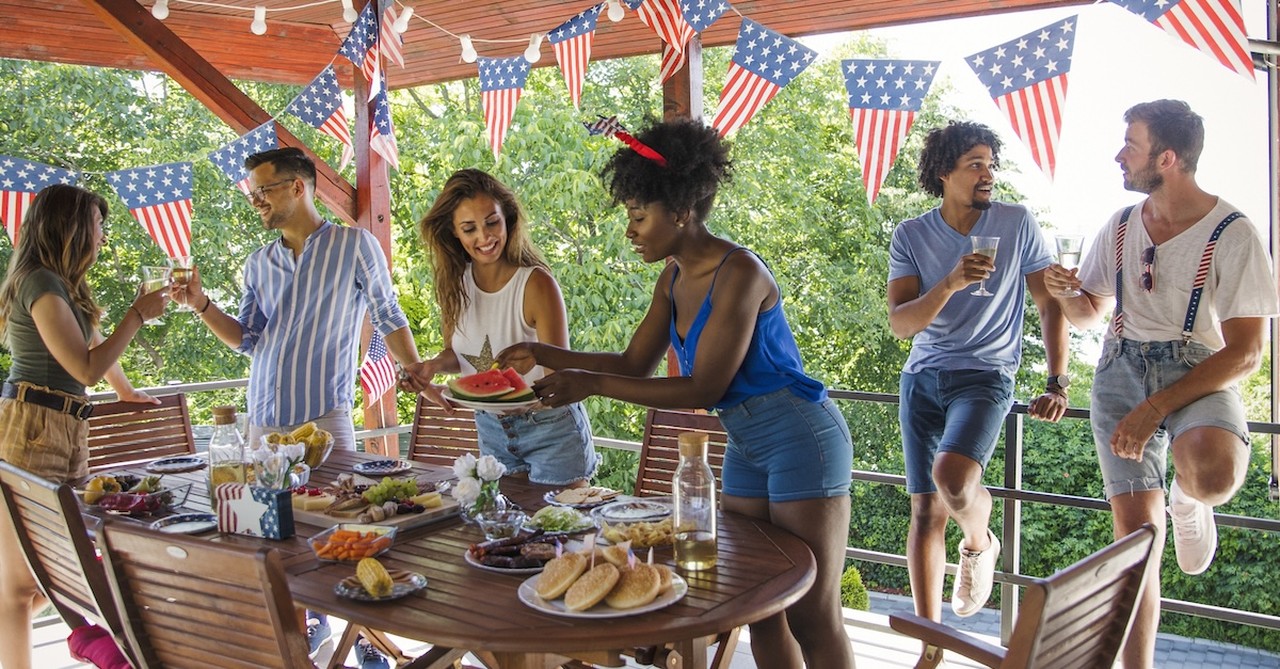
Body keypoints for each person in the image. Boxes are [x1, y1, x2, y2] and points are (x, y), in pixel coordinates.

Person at [498, 119, 856, 669]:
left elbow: (704, 387)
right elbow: (634, 363)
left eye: (639, 216)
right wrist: (545, 354)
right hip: (744, 441)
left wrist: (588, 385)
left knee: (811, 612)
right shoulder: (671, 278)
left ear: (682, 210)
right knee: (757, 604)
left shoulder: (741, 272)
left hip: (799, 435)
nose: (630, 230)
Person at [171, 147, 429, 667]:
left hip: (324, 423)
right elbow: (246, 339)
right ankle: (309, 639)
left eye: (262, 190)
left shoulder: (353, 245)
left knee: (340, 534)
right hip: (263, 426)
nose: (255, 202)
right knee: (274, 542)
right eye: (252, 193)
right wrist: (200, 304)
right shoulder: (257, 262)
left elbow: (386, 312)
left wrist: (415, 371)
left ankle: (366, 641)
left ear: (297, 186)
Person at [1045, 99, 1278, 669]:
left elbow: (1247, 352)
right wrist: (1063, 291)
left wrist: (1156, 409)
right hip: (1120, 369)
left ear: (1167, 158)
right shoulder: (1121, 225)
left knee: (1216, 475)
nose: (1118, 155)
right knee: (1136, 544)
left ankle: (1190, 494)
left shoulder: (1234, 232)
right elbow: (1087, 315)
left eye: (1131, 144)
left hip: (1198, 369)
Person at [886, 121, 1068, 662]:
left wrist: (1057, 379)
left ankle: (978, 543)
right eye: (975, 164)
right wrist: (949, 283)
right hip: (922, 378)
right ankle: (930, 648)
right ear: (944, 172)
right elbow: (900, 324)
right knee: (924, 512)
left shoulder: (1016, 223)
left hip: (987, 375)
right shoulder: (911, 235)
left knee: (954, 478)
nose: (989, 174)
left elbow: (1048, 303)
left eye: (991, 163)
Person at [0, 184, 167, 669]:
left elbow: (91, 340)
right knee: (19, 587)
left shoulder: (61, 284)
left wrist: (126, 391)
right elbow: (84, 368)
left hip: (63, 429)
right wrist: (136, 315)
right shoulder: (39, 283)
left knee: (48, 576)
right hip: (32, 430)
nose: (102, 235)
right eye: (98, 225)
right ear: (71, 228)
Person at [416, 169, 597, 487]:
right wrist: (431, 366)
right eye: (469, 228)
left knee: (563, 528)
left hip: (550, 427)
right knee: (505, 531)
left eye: (492, 222)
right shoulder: (454, 285)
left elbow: (559, 368)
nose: (484, 238)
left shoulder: (537, 283)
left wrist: (518, 395)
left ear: (508, 219)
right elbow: (457, 354)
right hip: (491, 429)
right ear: (454, 233)